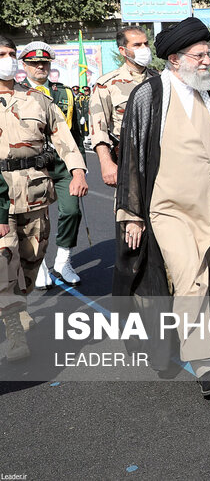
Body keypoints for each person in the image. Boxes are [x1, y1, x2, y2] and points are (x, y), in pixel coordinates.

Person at [113, 17, 210, 396]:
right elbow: (133, 156)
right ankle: (206, 365)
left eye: (207, 53)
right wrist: (131, 214)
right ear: (174, 59)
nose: (207, 60)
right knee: (192, 277)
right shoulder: (149, 96)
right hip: (167, 209)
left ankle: (173, 340)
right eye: (199, 55)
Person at [0, 36, 88, 361]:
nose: (7, 59)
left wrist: (78, 170)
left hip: (36, 192)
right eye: (2, 54)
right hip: (1, 196)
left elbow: (63, 139)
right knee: (4, 261)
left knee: (32, 256)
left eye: (11, 53)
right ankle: (14, 333)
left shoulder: (38, 100)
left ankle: (19, 304)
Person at [17, 42, 88, 289]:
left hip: (62, 165)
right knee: (38, 220)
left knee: (71, 211)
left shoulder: (64, 93)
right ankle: (39, 265)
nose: (40, 67)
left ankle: (63, 260)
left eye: (44, 63)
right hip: (33, 169)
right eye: (35, 63)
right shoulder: (15, 93)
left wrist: (80, 170)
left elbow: (76, 135)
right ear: (24, 66)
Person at [90, 27, 156, 188]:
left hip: (160, 161)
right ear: (123, 50)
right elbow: (99, 129)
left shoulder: (160, 80)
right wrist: (106, 163)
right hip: (128, 161)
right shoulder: (107, 84)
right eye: (137, 45)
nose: (144, 49)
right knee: (129, 211)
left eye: (146, 44)